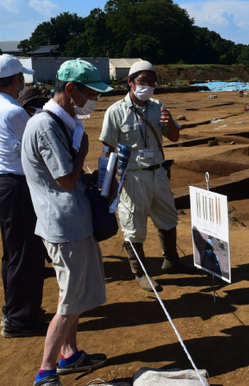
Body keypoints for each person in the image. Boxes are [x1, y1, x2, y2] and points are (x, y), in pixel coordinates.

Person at [22, 59, 111, 386]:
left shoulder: (63, 119)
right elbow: (65, 180)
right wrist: (82, 151)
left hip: (73, 221)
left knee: (75, 295)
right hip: (63, 225)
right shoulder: (45, 126)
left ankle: (69, 354)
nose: (94, 100)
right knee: (70, 300)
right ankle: (46, 371)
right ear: (70, 89)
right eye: (91, 93)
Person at [100, 60, 195, 293]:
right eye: (143, 81)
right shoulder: (115, 111)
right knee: (133, 224)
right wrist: (108, 183)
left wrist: (169, 121)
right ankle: (140, 273)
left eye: (152, 82)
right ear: (130, 82)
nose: (148, 86)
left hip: (158, 172)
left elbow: (173, 137)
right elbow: (107, 149)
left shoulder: (157, 106)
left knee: (168, 217)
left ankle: (171, 261)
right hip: (132, 177)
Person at [0, 54, 47, 339]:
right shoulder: (14, 112)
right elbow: (35, 150)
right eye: (22, 77)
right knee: (27, 256)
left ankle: (15, 309)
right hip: (18, 187)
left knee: (13, 254)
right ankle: (21, 319)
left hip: (2, 186)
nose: (24, 82)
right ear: (15, 80)